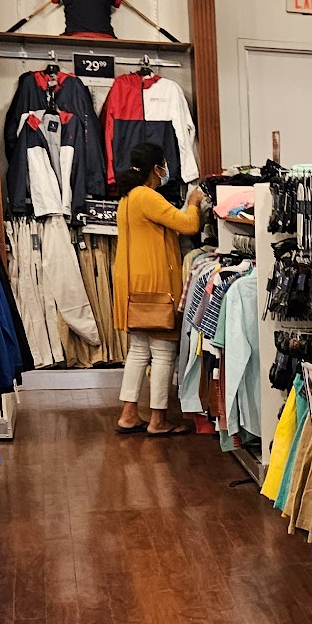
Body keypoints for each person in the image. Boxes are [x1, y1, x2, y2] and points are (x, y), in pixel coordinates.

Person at [112, 140, 202, 437]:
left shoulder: (128, 197)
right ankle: (158, 419)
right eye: (163, 165)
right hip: (155, 283)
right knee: (163, 351)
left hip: (132, 283)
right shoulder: (147, 196)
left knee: (138, 350)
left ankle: (128, 414)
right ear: (156, 168)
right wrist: (194, 202)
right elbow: (188, 225)